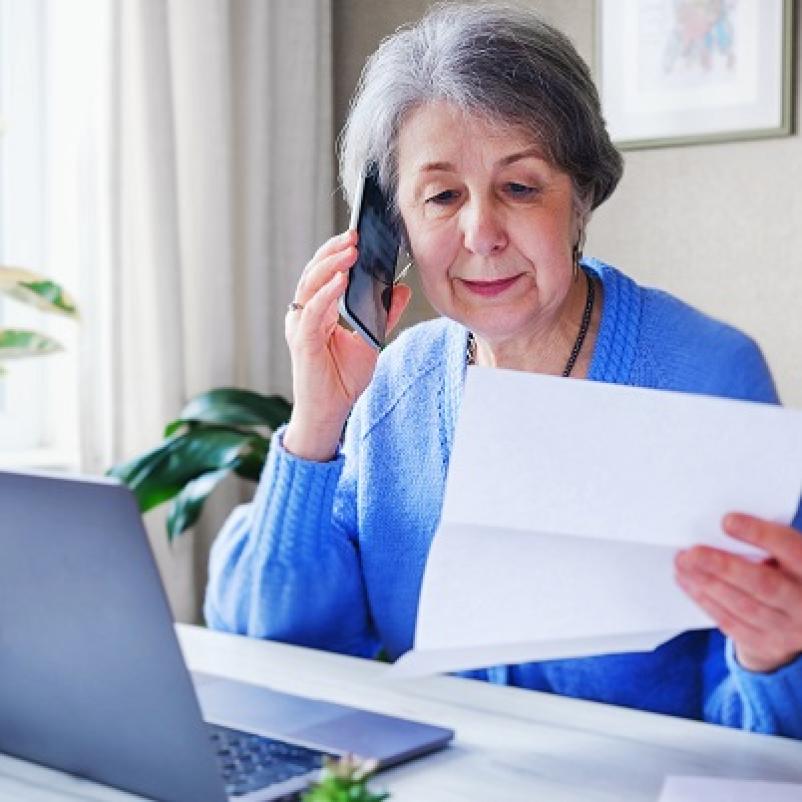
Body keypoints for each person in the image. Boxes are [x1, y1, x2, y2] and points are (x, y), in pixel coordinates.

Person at [205, 4, 802, 738]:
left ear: (580, 197)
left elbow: (758, 743)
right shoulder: (398, 385)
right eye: (442, 196)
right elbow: (285, 652)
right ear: (392, 228)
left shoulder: (709, 376)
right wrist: (317, 423)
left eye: (520, 188)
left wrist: (777, 655)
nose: (480, 233)